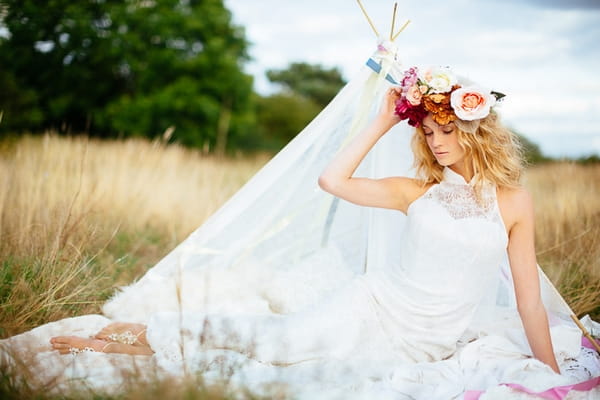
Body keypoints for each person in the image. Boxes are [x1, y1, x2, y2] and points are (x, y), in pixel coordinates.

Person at [5, 59, 599, 399]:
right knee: (275, 342)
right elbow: (332, 180)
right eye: (430, 134)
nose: (438, 144)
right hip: (371, 310)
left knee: (285, 357)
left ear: (475, 131)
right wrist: (383, 121)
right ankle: (119, 338)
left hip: (424, 341)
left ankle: (150, 334)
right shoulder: (414, 192)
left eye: (448, 132)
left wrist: (546, 369)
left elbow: (525, 294)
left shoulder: (516, 201)